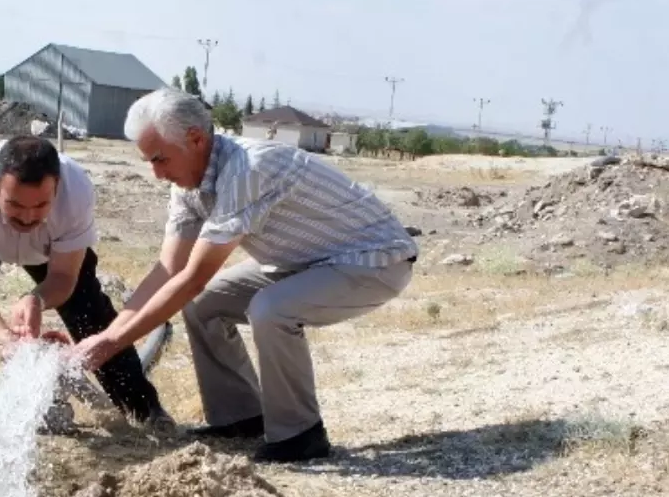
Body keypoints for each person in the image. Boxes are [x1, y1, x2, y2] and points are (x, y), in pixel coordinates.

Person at [71, 89, 419, 463]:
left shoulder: (250, 168)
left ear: (196, 139)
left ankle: (300, 435)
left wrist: (112, 344)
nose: (156, 174)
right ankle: (241, 416)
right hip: (302, 262)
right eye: (149, 162)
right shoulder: (187, 183)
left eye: (159, 159)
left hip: (374, 261)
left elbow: (192, 278)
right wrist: (108, 335)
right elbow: (169, 269)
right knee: (204, 305)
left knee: (271, 308)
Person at [0, 134, 169, 425]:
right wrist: (3, 338)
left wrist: (37, 298)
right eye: (15, 205)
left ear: (57, 187)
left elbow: (64, 276)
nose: (28, 217)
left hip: (51, 251)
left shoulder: (77, 192)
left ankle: (143, 407)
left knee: (90, 311)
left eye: (41, 205)